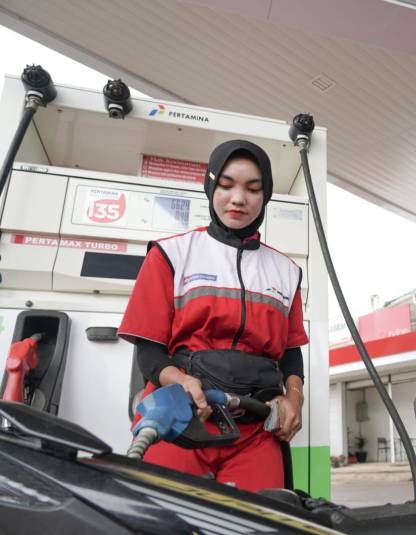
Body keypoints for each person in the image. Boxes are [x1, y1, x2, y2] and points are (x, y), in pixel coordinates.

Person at [118, 139, 307, 492]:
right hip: (182, 418)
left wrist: (295, 397)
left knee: (259, 518)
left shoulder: (286, 271)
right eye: (226, 184)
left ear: (265, 196)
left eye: (253, 189)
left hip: (256, 429)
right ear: (211, 187)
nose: (238, 198)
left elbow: (291, 353)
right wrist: (180, 381)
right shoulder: (170, 254)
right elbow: (149, 352)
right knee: (164, 516)